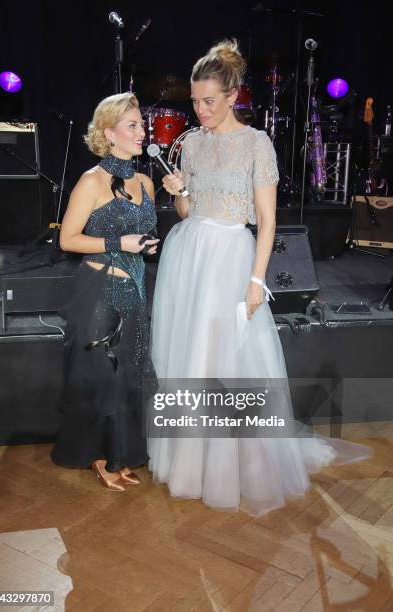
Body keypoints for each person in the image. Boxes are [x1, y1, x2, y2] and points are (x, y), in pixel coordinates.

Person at [148, 41, 371, 516]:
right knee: (193, 358)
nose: (201, 110)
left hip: (231, 256)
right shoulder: (190, 143)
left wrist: (256, 281)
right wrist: (178, 191)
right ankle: (193, 464)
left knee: (230, 359)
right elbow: (188, 209)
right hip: (188, 256)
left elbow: (266, 223)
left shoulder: (256, 144)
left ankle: (239, 465)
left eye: (209, 101)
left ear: (232, 95)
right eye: (195, 101)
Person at [51, 92, 159, 491]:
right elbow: (68, 240)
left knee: (130, 373)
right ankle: (99, 455)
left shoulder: (145, 180)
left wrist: (146, 243)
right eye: (132, 125)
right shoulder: (91, 181)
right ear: (109, 134)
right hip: (100, 292)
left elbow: (140, 232)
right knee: (102, 375)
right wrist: (120, 244)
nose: (142, 131)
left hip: (136, 290)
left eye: (141, 124)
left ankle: (122, 453)